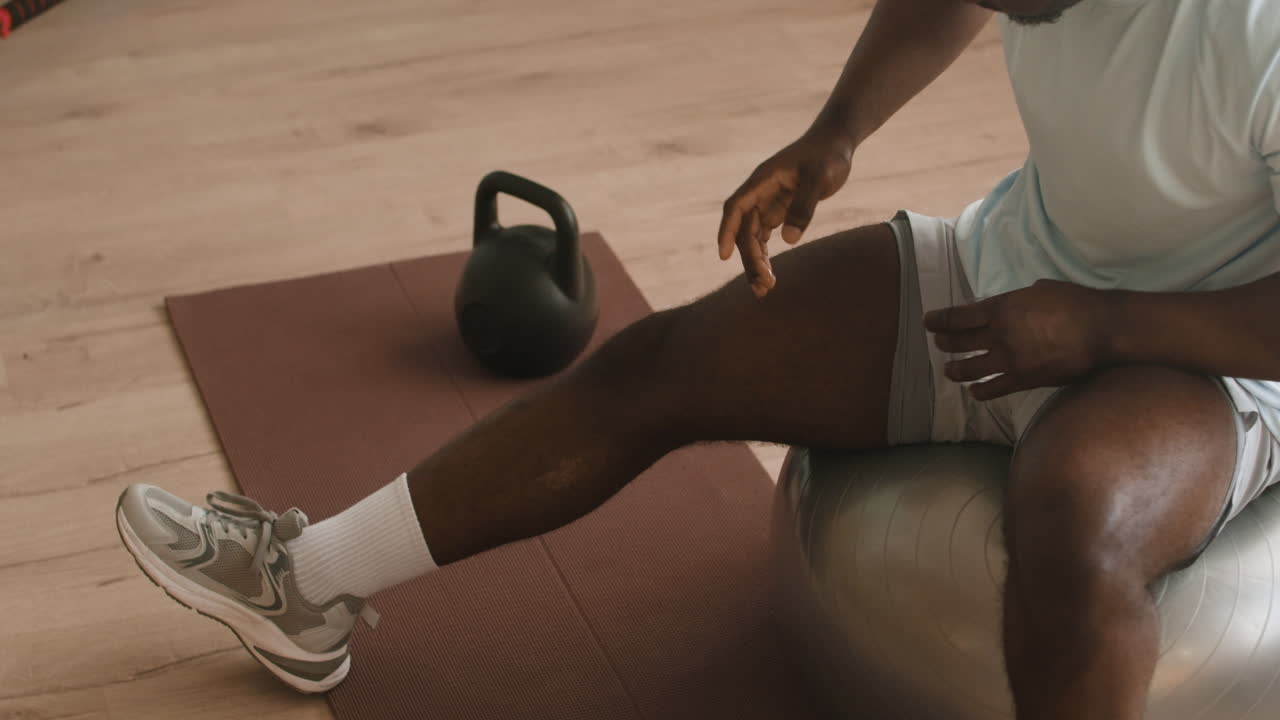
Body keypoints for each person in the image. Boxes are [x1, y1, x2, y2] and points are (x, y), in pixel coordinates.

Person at [115, 0, 1280, 716]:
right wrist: (834, 134)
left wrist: (1098, 327)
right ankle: (302, 583)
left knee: (1074, 526)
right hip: (1021, 262)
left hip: (1202, 351)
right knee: (662, 361)